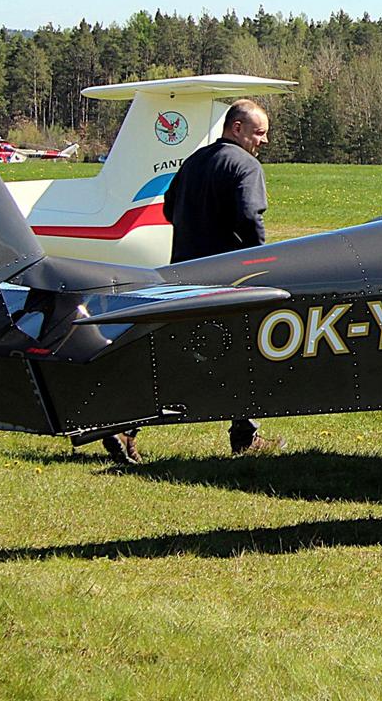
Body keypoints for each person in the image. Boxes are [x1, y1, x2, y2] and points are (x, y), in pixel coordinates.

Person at [102, 98, 280, 464]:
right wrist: (259, 263)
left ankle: (125, 424)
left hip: (182, 275)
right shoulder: (245, 166)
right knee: (246, 355)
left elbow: (169, 209)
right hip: (228, 278)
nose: (264, 141)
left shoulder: (194, 161)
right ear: (237, 128)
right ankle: (244, 436)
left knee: (177, 357)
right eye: (259, 133)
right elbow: (250, 217)